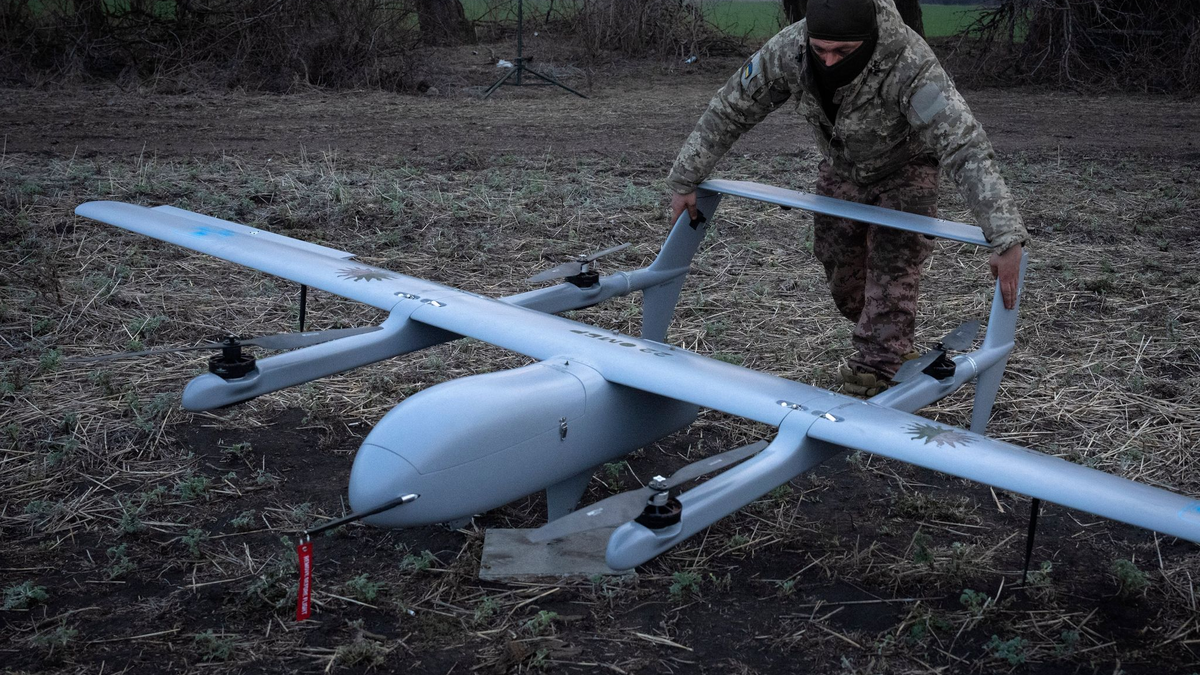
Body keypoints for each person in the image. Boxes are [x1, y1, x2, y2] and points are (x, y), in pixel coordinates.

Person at [666, 0, 1029, 395]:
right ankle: (888, 341)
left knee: (892, 270)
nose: (829, 60)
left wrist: (1005, 235)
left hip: (906, 169)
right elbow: (732, 106)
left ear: (869, 40)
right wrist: (686, 178)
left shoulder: (910, 65)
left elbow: (963, 145)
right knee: (843, 273)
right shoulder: (789, 50)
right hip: (842, 168)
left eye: (843, 52)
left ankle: (873, 372)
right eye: (820, 49)